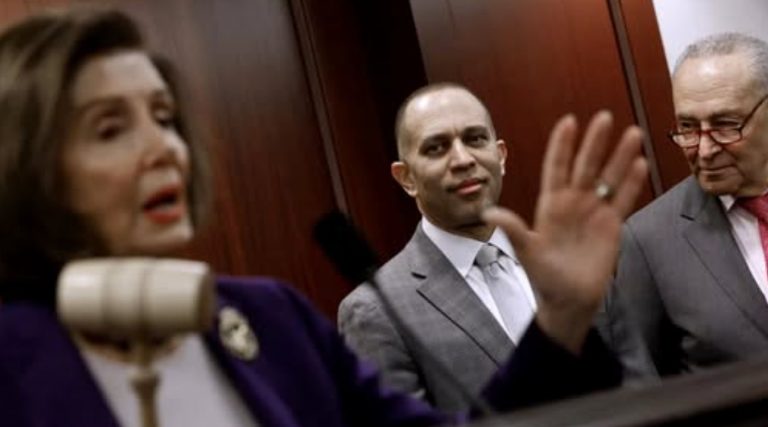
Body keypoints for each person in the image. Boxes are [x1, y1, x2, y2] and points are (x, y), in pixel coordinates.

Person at [0, 8, 647, 427]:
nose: (164, 148)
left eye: (165, 118)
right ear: (26, 162)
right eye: (111, 127)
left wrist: (560, 316)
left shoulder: (268, 317)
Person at [337, 84, 640, 409]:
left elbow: (646, 392)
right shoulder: (376, 312)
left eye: (475, 139)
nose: (463, 159)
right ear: (406, 178)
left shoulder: (569, 263)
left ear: (502, 156)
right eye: (437, 148)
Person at [602, 32, 768, 378]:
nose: (704, 150)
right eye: (688, 128)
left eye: (725, 125)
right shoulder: (647, 241)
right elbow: (645, 388)